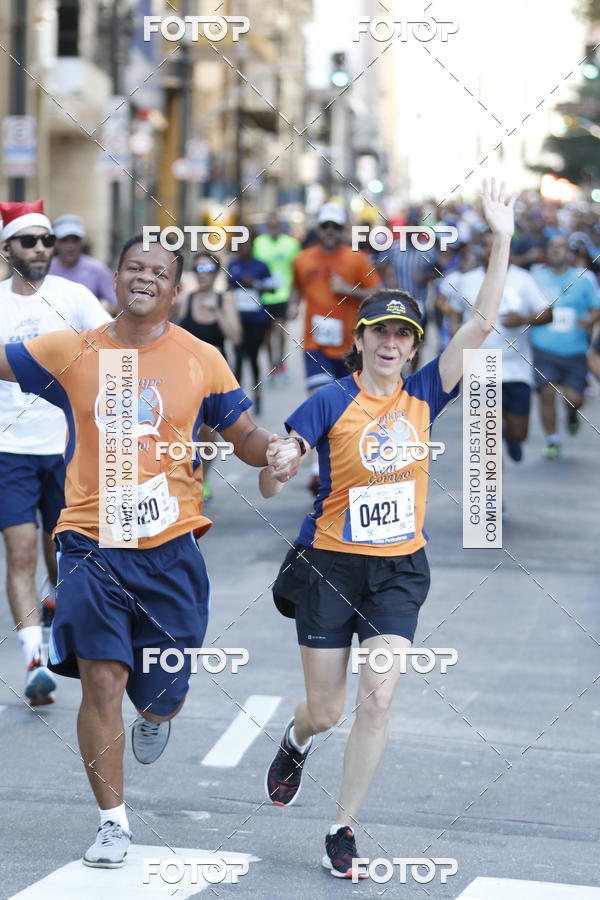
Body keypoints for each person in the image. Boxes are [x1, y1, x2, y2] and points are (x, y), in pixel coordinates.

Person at [0, 235, 300, 867]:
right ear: (115, 278)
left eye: (158, 272)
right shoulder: (74, 350)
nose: (143, 277)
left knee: (163, 694)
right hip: (90, 541)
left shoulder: (201, 359)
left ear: (174, 287)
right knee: (101, 681)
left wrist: (273, 447)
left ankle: (159, 712)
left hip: (171, 549)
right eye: (134, 267)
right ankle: (113, 822)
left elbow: (241, 434)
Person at [260, 181, 515, 879]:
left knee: (379, 696)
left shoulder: (426, 393)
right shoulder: (332, 400)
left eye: (404, 334)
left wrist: (501, 237)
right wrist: (279, 463)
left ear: (411, 346)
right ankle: (296, 737)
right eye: (382, 332)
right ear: (363, 340)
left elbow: (484, 323)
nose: (393, 343)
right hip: (330, 566)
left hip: (399, 567)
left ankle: (342, 827)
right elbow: (275, 469)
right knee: (327, 709)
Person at [0, 200, 111, 706]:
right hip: (9, 448)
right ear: (7, 250)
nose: (41, 249)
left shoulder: (75, 297)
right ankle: (34, 659)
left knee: (57, 554)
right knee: (21, 551)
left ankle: (52, 609)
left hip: (66, 447)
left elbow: (115, 350)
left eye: (46, 240)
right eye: (30, 241)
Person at [290, 202, 381, 494]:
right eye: (325, 226)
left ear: (343, 230)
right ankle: (319, 472)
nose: (330, 232)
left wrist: (348, 290)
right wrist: (292, 305)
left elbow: (379, 294)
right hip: (315, 344)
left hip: (351, 347)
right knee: (320, 403)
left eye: (335, 227)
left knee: (349, 411)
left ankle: (349, 466)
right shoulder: (302, 259)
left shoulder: (357, 259)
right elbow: (297, 288)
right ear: (318, 228)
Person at [447, 231, 551, 463]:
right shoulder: (468, 280)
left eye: (497, 246)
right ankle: (493, 494)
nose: (491, 251)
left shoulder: (522, 278)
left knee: (519, 432)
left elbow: (547, 313)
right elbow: (453, 311)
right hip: (480, 367)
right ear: (480, 250)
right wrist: (457, 337)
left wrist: (524, 319)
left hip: (516, 367)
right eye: (486, 246)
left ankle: (512, 439)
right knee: (486, 435)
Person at [530, 235, 600, 458]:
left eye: (561, 247)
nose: (556, 251)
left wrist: (589, 321)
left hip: (575, 349)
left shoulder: (584, 279)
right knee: (546, 392)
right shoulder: (535, 277)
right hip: (543, 347)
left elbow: (597, 307)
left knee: (574, 399)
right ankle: (553, 439)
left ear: (569, 253)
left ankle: (572, 413)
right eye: (552, 246)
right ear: (547, 252)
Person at [178, 252, 241, 499]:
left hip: (213, 377)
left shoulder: (224, 299)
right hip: (185, 375)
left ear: (216, 274)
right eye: (198, 270)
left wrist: (218, 312)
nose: (202, 275)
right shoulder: (186, 298)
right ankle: (184, 477)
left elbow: (235, 337)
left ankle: (203, 478)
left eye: (208, 270)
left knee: (207, 430)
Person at [228, 231, 276, 415]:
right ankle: (237, 401)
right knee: (238, 358)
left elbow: (272, 288)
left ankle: (258, 397)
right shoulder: (233, 264)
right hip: (237, 318)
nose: (243, 248)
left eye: (246, 244)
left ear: (252, 245)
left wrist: (254, 283)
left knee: (253, 359)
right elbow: (227, 286)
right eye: (239, 244)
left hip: (257, 319)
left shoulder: (261, 265)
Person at [253, 214, 301, 381]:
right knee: (265, 333)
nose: (273, 229)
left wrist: (296, 299)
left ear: (280, 227)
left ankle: (280, 361)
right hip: (263, 295)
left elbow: (297, 270)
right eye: (270, 226)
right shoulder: (259, 243)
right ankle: (271, 364)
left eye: (276, 226)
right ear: (267, 227)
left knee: (279, 329)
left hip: (283, 294)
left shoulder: (291, 244)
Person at [49, 214, 117, 308]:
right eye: (64, 240)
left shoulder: (98, 270)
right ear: (55, 242)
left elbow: (117, 304)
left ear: (83, 241)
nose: (70, 246)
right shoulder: (45, 269)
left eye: (75, 240)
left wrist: (100, 309)